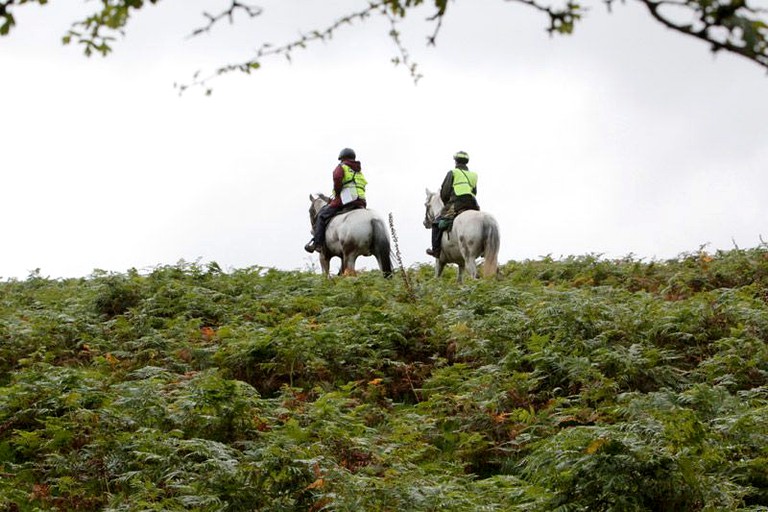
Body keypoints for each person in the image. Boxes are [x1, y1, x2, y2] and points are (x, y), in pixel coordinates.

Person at [305, 147, 368, 253]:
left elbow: (338, 181)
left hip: (346, 200)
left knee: (321, 215)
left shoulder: (341, 167)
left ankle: (317, 244)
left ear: (342, 158)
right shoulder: (359, 171)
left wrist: (337, 193)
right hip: (361, 201)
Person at [426, 150, 480, 258]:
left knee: (436, 223)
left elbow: (444, 192)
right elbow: (474, 192)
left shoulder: (453, 172)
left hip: (457, 203)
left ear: (456, 162)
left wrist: (447, 203)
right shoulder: (474, 175)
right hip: (473, 204)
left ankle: (436, 251)